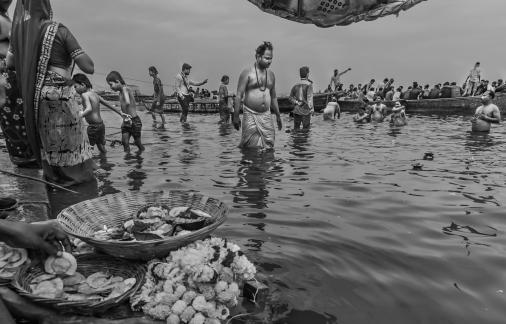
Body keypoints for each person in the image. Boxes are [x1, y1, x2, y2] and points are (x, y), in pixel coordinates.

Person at [10, 0, 95, 186]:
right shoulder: (58, 29)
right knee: (70, 138)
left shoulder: (19, 34)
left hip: (38, 94)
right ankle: (76, 182)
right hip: (60, 92)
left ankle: (54, 178)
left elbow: (9, 63)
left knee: (49, 137)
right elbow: (88, 67)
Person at [233, 41, 282, 149]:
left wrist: (278, 115)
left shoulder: (271, 75)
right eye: (267, 58)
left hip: (266, 115)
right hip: (250, 114)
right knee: (250, 147)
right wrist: (235, 115)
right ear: (258, 57)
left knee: (269, 146)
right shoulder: (247, 72)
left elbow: (273, 96)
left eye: (271, 58)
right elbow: (239, 95)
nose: (270, 61)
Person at [72, 73, 130, 154]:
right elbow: (108, 104)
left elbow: (89, 109)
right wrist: (120, 113)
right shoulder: (95, 94)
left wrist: (80, 115)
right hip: (101, 125)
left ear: (83, 85)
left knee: (88, 148)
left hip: (93, 127)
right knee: (100, 146)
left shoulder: (85, 95)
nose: (75, 90)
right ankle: (105, 163)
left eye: (75, 87)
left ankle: (89, 165)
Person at [106, 71, 144, 153]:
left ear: (117, 81)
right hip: (126, 122)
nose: (110, 87)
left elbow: (127, 101)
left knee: (137, 143)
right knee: (124, 142)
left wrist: (122, 113)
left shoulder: (125, 89)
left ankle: (140, 158)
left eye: (111, 84)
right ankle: (128, 160)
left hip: (134, 121)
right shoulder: (120, 92)